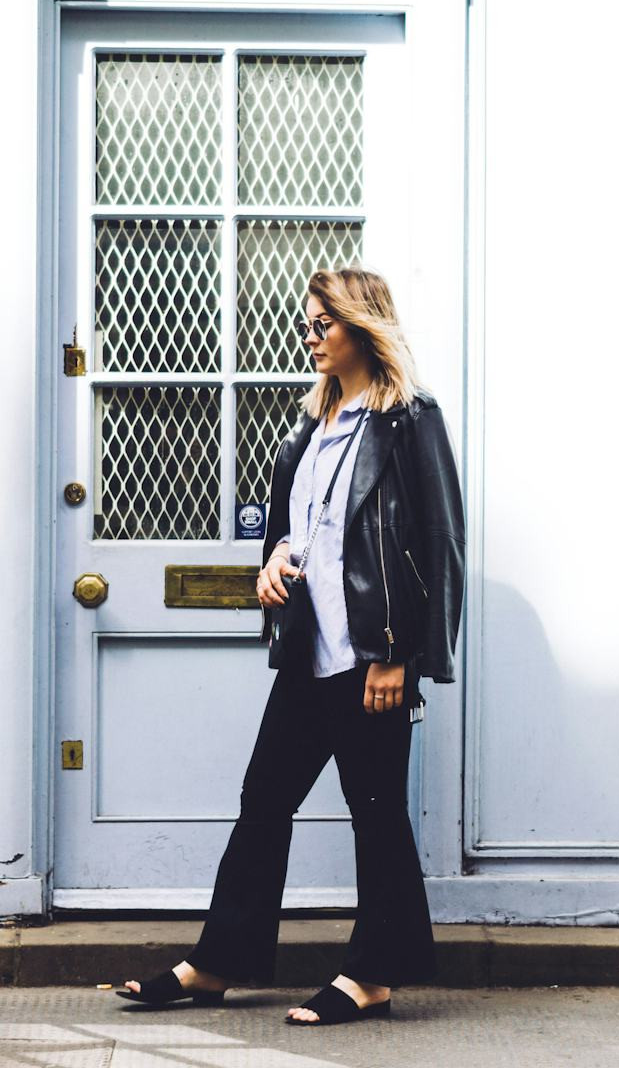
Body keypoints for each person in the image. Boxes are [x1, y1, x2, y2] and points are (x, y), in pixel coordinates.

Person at [118, 266, 466, 1028]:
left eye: (321, 324)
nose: (309, 337)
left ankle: (371, 976)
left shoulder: (409, 419)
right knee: (265, 800)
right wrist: (273, 559)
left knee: (375, 814)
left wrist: (402, 657)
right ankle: (218, 961)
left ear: (362, 327)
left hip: (370, 658)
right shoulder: (311, 424)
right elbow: (298, 530)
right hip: (310, 654)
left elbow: (441, 546)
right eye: (306, 324)